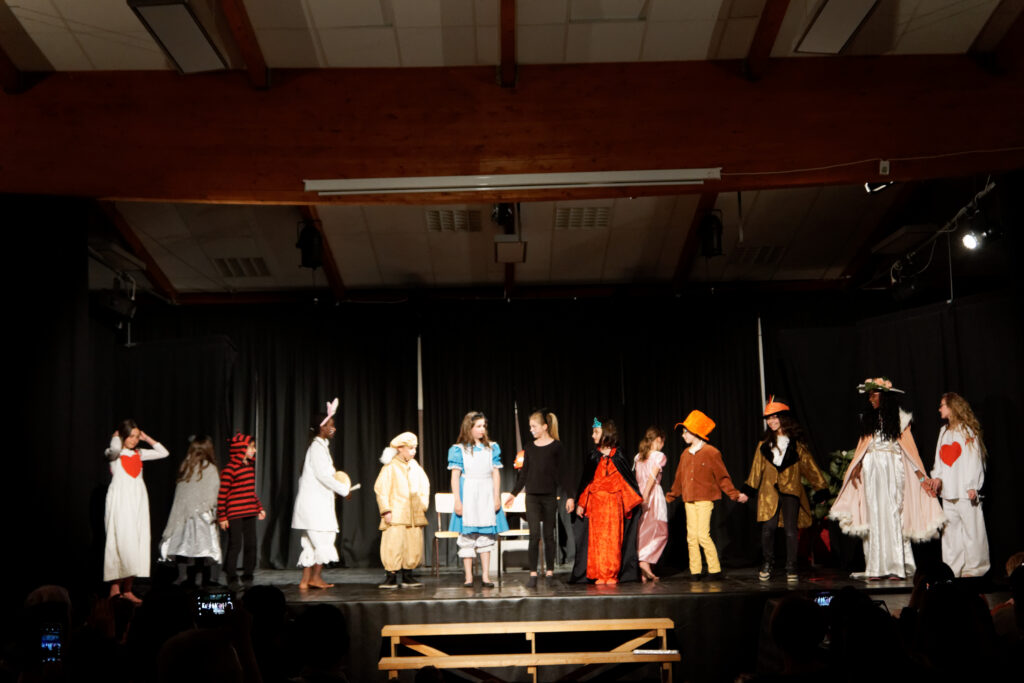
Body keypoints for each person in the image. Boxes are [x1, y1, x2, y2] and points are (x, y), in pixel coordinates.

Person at [829, 377, 944, 579]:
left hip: (892, 469)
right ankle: (875, 567)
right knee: (874, 514)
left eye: (874, 394)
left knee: (892, 513)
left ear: (884, 396)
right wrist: (856, 468)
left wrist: (921, 480)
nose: (871, 398)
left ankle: (896, 566)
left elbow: (911, 454)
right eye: (869, 395)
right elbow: (862, 448)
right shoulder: (868, 419)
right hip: (871, 471)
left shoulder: (900, 420)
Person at [743, 397, 829, 583]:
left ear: (783, 418)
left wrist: (820, 488)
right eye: (768, 418)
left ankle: (791, 566)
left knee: (790, 530)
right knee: (768, 529)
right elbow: (756, 469)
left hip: (790, 490)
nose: (771, 421)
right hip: (769, 492)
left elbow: (810, 467)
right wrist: (748, 491)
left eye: (775, 417)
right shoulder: (763, 444)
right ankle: (767, 563)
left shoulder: (796, 444)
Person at [665, 410, 748, 580]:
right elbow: (679, 478)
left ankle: (714, 569)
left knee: (702, 535)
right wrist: (671, 495)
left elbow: (722, 477)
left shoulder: (711, 452)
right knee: (691, 537)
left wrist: (733, 494)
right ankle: (695, 571)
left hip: (704, 500)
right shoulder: (685, 455)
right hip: (689, 500)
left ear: (695, 432)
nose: (683, 435)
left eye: (686, 431)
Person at [104, 419, 170, 603]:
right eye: (130, 436)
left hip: (138, 501)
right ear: (123, 436)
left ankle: (128, 589)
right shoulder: (114, 453)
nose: (134, 440)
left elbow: (164, 453)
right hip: (120, 502)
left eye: (136, 436)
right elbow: (114, 449)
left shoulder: (139, 453)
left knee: (137, 541)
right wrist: (116, 438)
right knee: (121, 541)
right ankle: (115, 588)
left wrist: (146, 438)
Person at [506, 409, 573, 587]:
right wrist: (513, 494)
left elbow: (564, 473)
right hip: (532, 498)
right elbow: (524, 474)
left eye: (534, 426)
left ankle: (549, 573)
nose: (531, 429)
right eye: (530, 427)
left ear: (544, 426)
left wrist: (570, 496)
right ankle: (533, 574)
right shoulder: (529, 447)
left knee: (549, 535)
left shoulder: (556, 447)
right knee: (534, 535)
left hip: (549, 497)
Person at [571, 418, 643, 585]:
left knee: (612, 539)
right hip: (596, 504)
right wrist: (581, 503)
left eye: (596, 432)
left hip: (613, 504)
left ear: (606, 434)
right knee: (596, 540)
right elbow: (587, 482)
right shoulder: (593, 456)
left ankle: (611, 573)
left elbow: (626, 480)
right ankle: (598, 573)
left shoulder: (618, 455)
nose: (592, 435)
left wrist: (631, 500)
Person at [291, 398, 353, 590]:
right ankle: (315, 578)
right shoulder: (317, 448)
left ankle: (306, 580)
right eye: (330, 425)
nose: (334, 429)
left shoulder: (319, 447)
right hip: (315, 508)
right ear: (322, 427)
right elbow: (324, 475)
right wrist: (343, 490)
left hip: (314, 505)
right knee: (323, 540)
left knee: (311, 543)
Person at [929, 392, 990, 577]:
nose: (939, 409)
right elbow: (939, 459)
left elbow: (975, 459)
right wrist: (937, 477)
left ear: (952, 407)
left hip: (965, 490)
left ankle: (975, 569)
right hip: (949, 490)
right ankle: (952, 569)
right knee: (950, 533)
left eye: (942, 405)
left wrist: (973, 485)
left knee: (973, 530)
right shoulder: (944, 431)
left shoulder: (967, 431)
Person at [448, 411, 508, 587]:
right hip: (468, 493)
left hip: (486, 493)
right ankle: (468, 577)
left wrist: (496, 497)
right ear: (469, 427)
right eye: (479, 426)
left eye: (484, 426)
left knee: (486, 536)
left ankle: (485, 577)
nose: (482, 429)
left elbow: (495, 474)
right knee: (467, 537)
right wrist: (457, 500)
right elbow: (455, 477)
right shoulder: (459, 449)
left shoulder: (491, 448)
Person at [160, 435, 221, 587]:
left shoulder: (187, 466)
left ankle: (184, 577)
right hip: (199, 515)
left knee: (184, 545)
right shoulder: (207, 468)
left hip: (186, 515)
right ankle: (196, 578)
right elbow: (213, 494)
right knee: (199, 546)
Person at [374, 431, 430, 589]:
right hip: (396, 514)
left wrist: (422, 506)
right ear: (400, 448)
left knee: (412, 545)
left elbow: (425, 486)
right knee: (393, 544)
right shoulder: (391, 467)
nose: (414, 451)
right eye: (410, 448)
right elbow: (381, 489)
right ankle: (391, 576)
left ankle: (407, 575)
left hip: (413, 515)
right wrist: (386, 510)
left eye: (415, 448)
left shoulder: (415, 466)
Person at [217, 432, 265, 589]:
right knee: (235, 544)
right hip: (234, 513)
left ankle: (248, 575)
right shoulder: (230, 469)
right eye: (251, 447)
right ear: (241, 449)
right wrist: (222, 516)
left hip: (249, 511)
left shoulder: (249, 467)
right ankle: (231, 576)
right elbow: (222, 494)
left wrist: (259, 507)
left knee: (251, 544)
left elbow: (250, 492)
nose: (254, 450)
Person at [634, 426, 668, 582]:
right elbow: (652, 478)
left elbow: (637, 479)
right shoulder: (658, 456)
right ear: (658, 440)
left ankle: (644, 571)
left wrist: (639, 495)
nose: (663, 445)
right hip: (652, 494)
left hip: (639, 494)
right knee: (660, 530)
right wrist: (646, 494)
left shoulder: (638, 456)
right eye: (662, 442)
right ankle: (645, 561)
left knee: (644, 530)